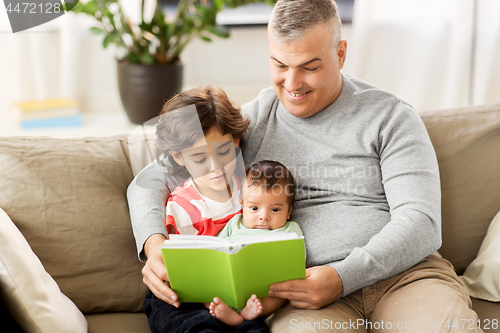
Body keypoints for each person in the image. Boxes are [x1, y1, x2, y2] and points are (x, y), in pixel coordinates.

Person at [128, 0, 482, 331]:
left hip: (406, 278)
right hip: (302, 297)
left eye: (310, 67)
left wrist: (343, 276)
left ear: (341, 54)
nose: (292, 84)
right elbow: (149, 180)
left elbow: (422, 223)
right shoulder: (255, 118)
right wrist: (154, 246)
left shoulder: (390, 117)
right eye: (280, 66)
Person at [142, 86, 270, 332]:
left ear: (236, 140)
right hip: (185, 297)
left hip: (238, 295)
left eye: (224, 151)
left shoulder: (251, 193)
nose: (216, 167)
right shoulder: (181, 206)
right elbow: (184, 273)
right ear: (178, 157)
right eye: (199, 159)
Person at [209, 160, 303, 326]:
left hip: (266, 289)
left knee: (280, 295)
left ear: (289, 211)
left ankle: (247, 314)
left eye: (275, 210)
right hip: (230, 283)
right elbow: (217, 246)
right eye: (254, 208)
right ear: (242, 205)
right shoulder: (235, 223)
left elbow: (297, 259)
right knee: (206, 289)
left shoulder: (290, 230)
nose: (263, 216)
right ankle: (227, 311)